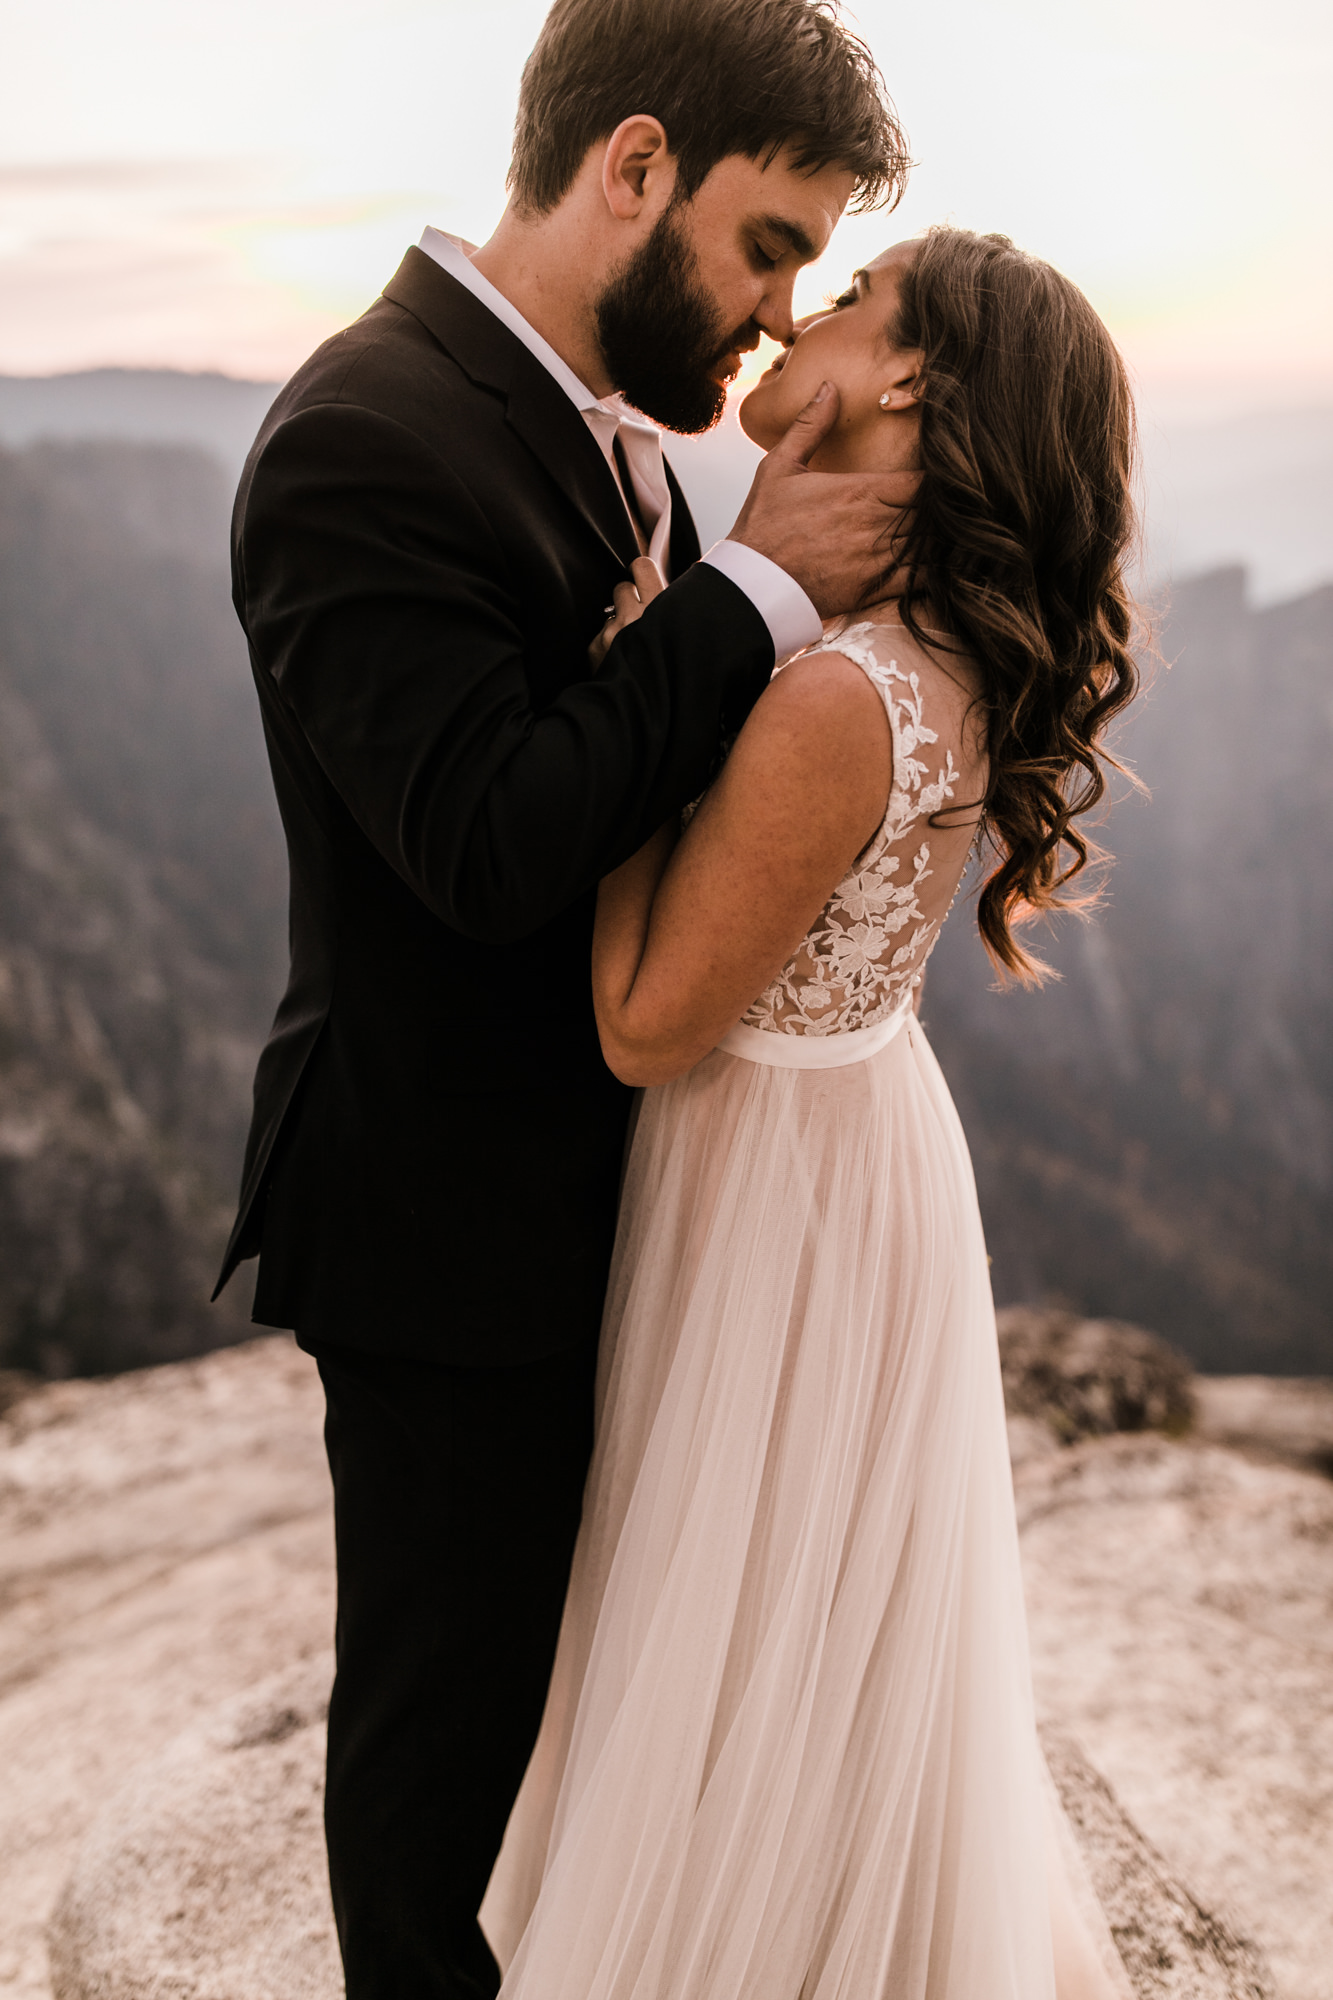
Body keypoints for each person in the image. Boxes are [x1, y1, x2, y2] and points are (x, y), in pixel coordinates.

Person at [213, 1, 914, 1993]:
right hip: (447, 1232)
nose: (780, 316)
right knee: (445, 1774)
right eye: (769, 243)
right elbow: (495, 835)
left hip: (616, 1205)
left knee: (582, 1733)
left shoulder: (612, 432)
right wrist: (761, 591)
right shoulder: (364, 433)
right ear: (632, 168)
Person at [479, 227, 1140, 1998]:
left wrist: (628, 687)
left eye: (847, 298)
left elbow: (638, 1024)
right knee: (809, 1628)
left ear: (909, 379)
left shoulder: (843, 697)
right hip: (856, 1146)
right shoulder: (922, 652)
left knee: (730, 1617)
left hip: (761, 1171)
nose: (801, 311)